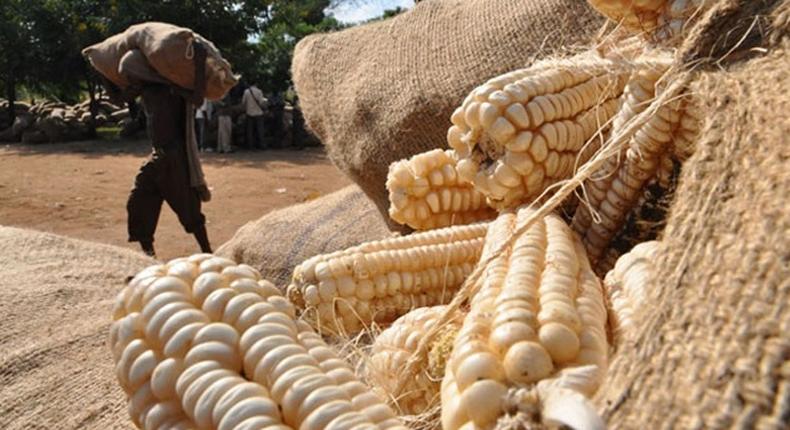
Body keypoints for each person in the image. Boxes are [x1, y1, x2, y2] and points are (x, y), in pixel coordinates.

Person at [104, 44, 213, 258]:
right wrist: (104, 72)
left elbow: (197, 98)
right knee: (139, 203)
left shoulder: (168, 88)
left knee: (188, 209)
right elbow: (118, 98)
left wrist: (199, 62)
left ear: (141, 73)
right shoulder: (144, 90)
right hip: (158, 156)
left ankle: (208, 252)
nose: (130, 82)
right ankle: (149, 256)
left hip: (173, 157)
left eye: (131, 76)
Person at [241, 83, 267, 149]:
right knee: (260, 130)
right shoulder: (259, 91)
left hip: (249, 113)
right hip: (258, 113)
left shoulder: (246, 92)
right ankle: (262, 145)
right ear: (256, 84)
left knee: (250, 131)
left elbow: (243, 102)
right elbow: (261, 102)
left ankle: (250, 146)